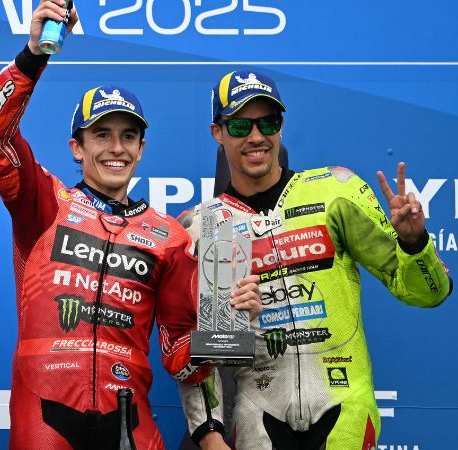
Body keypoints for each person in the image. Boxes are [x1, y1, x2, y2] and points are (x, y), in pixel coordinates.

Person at [0, 1, 261, 448]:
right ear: (76, 148)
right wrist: (33, 55)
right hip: (45, 418)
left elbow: (180, 358)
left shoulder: (169, 237)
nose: (115, 148)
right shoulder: (43, 205)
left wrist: (234, 326)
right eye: (101, 134)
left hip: (129, 420)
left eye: (128, 136)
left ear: (141, 148)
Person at [177, 70, 452, 449]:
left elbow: (429, 294)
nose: (256, 137)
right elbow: (208, 356)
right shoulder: (210, 224)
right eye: (240, 125)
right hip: (259, 412)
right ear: (217, 132)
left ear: (281, 126)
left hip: (344, 406)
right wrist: (209, 435)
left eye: (267, 122)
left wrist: (413, 242)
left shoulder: (334, 193)